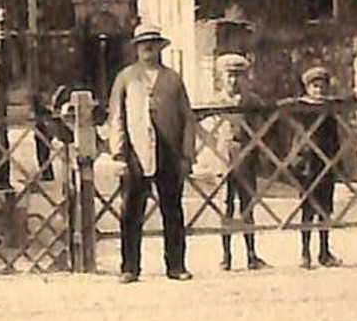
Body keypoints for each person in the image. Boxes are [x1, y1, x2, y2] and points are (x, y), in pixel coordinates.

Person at [107, 24, 197, 283]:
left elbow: (187, 119)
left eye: (153, 43)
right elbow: (116, 117)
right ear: (136, 48)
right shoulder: (126, 78)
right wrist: (119, 155)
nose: (148, 47)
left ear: (160, 47)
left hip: (169, 152)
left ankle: (176, 265)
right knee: (131, 211)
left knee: (173, 210)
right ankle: (130, 267)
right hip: (137, 152)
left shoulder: (172, 79)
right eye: (143, 43)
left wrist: (187, 155)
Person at [210, 52, 268, 272]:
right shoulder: (215, 101)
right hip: (223, 157)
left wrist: (257, 146)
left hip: (246, 156)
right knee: (225, 207)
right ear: (221, 77)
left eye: (238, 76)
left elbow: (264, 124)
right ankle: (226, 256)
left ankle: (252, 255)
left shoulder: (252, 101)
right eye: (229, 76)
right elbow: (205, 128)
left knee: (248, 205)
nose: (233, 81)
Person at [286, 65, 346, 269]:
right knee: (307, 209)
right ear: (307, 88)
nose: (319, 91)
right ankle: (305, 252)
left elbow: (336, 133)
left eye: (322, 87)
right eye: (315, 87)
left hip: (326, 163)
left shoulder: (329, 107)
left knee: (325, 209)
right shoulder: (301, 107)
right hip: (307, 164)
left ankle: (324, 251)